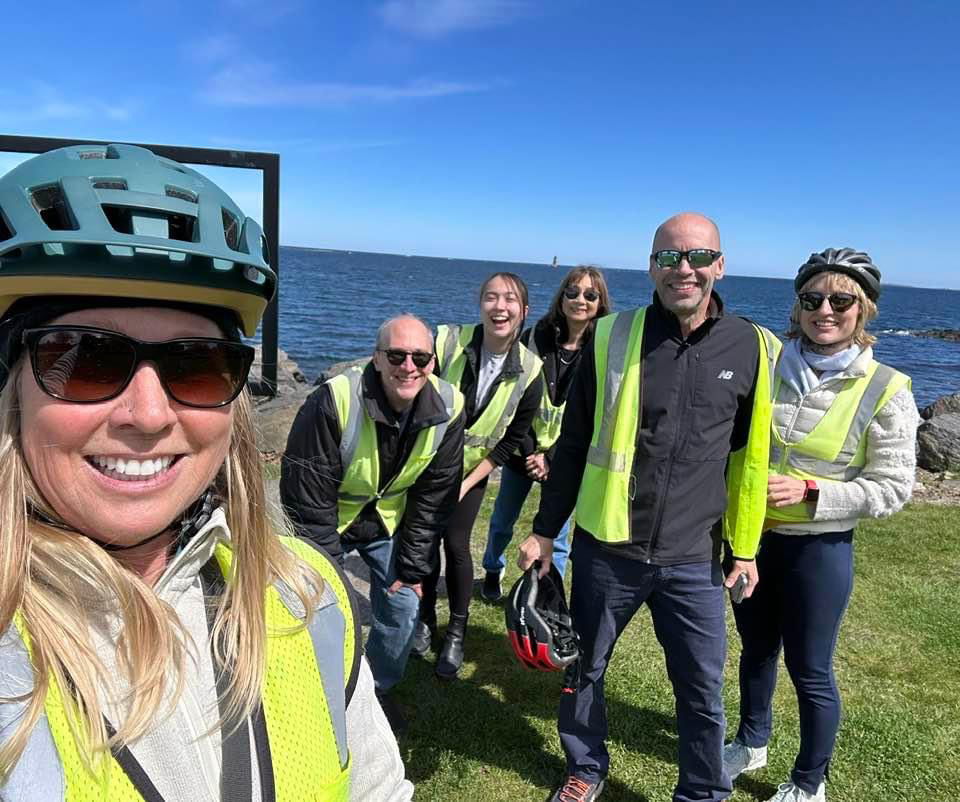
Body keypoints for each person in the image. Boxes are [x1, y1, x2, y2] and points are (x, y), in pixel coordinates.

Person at [0, 143, 412, 801]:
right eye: (85, 359)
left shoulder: (305, 595)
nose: (148, 414)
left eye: (197, 364)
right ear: (11, 391)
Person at [519, 212, 779, 802]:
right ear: (651, 266)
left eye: (697, 256)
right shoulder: (611, 335)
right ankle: (585, 768)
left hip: (694, 556)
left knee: (701, 689)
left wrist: (744, 549)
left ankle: (702, 792)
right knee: (585, 668)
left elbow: (750, 459)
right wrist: (544, 530)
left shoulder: (752, 346)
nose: (683, 269)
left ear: (719, 265)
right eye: (668, 257)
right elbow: (575, 442)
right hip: (608, 547)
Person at [723, 249, 918, 802]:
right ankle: (751, 742)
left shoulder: (887, 388)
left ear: (864, 309)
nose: (824, 310)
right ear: (798, 307)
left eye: (841, 300)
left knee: (810, 669)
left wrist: (813, 493)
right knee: (756, 650)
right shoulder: (767, 364)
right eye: (812, 299)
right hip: (751, 541)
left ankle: (810, 782)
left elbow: (893, 488)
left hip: (819, 549)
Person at [279, 314, 465, 723]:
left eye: (420, 357)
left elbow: (434, 497)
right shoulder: (333, 400)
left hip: (387, 521)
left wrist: (411, 569)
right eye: (396, 356)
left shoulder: (449, 407)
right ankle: (324, 688)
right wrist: (329, 578)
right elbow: (307, 498)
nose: (409, 366)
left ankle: (376, 691)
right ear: (376, 358)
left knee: (403, 605)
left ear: (433, 362)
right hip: (329, 516)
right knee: (320, 608)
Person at [414, 272, 543, 679]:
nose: (499, 307)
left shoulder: (531, 371)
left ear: (524, 311)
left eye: (510, 299)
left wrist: (467, 483)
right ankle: (424, 618)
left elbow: (510, 441)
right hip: (423, 464)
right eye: (491, 297)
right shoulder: (447, 341)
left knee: (455, 544)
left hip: (472, 471)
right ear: (480, 303)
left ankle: (456, 630)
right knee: (422, 540)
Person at [480, 265, 612, 600]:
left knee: (558, 535)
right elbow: (514, 398)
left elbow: (594, 414)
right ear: (561, 296)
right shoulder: (534, 337)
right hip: (522, 451)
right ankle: (492, 570)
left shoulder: (603, 349)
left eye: (590, 294)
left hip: (564, 459)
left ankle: (549, 594)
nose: (580, 300)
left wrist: (551, 458)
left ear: (600, 302)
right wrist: (530, 452)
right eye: (572, 292)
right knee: (502, 520)